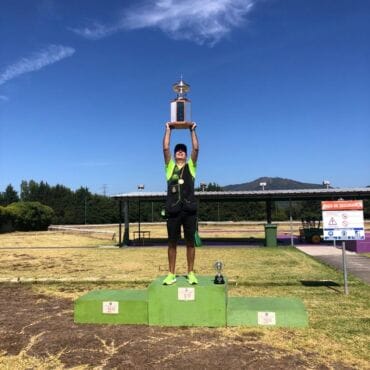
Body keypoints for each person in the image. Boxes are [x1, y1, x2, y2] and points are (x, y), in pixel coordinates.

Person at [162, 122, 199, 285]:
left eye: (183, 150)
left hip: (189, 209)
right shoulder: (169, 167)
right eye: (178, 150)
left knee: (190, 242)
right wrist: (168, 130)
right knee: (172, 243)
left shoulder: (191, 166)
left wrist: (192, 131)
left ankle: (190, 272)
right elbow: (165, 148)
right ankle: (171, 274)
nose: (180, 152)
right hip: (173, 210)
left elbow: (196, 149)